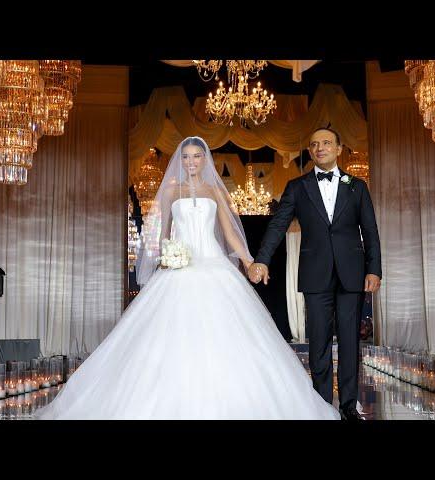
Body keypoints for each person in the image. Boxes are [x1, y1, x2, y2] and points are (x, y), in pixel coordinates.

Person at [34, 136, 339, 420]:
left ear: (205, 159)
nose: (192, 161)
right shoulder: (169, 191)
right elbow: (164, 230)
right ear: (180, 160)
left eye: (197, 156)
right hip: (179, 269)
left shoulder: (215, 191)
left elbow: (230, 231)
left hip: (213, 265)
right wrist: (165, 256)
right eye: (186, 156)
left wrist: (248, 261)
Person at [248, 128, 382, 421]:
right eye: (314, 144)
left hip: (352, 273)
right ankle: (321, 404)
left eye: (326, 143)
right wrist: (262, 260)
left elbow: (370, 231)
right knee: (318, 340)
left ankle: (348, 405)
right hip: (315, 273)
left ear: (338, 148)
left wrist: (374, 269)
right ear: (310, 152)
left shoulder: (356, 186)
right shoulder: (298, 187)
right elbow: (277, 225)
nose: (320, 148)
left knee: (349, 340)